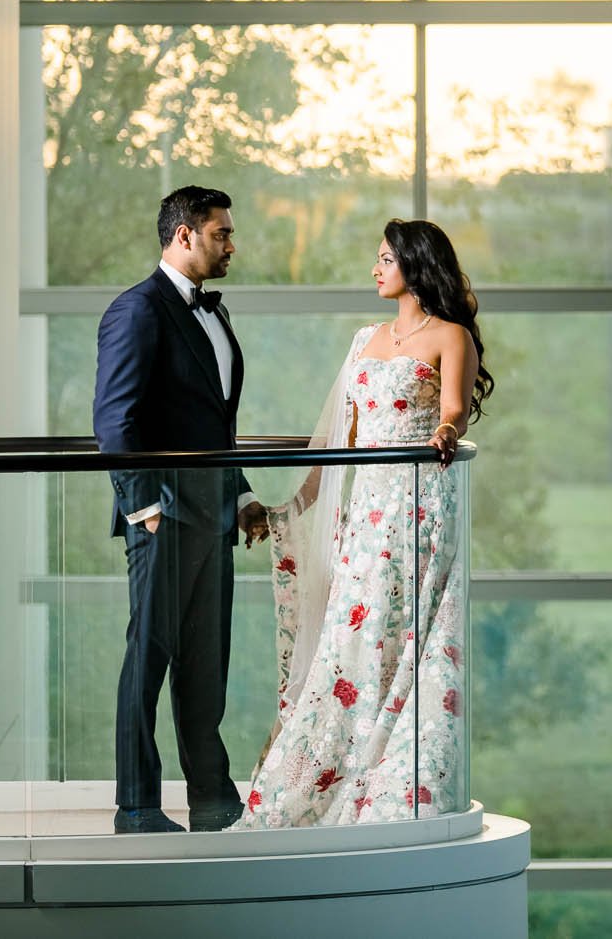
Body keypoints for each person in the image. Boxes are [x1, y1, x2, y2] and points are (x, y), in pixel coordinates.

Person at [234, 218, 490, 827]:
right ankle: (330, 768)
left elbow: (453, 406)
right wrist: (297, 504)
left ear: (414, 265)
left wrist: (446, 431)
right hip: (365, 507)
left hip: (417, 499)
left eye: (384, 259)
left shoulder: (450, 336)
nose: (375, 269)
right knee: (356, 629)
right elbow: (340, 438)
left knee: (407, 627)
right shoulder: (364, 338)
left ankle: (396, 776)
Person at [92, 185, 270, 834]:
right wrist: (142, 508)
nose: (231, 243)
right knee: (148, 662)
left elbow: (213, 424)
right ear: (184, 235)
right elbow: (115, 419)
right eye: (221, 232)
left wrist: (242, 494)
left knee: (205, 665)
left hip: (214, 517)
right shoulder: (137, 310)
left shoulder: (214, 314)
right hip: (163, 517)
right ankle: (137, 805)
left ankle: (211, 799)